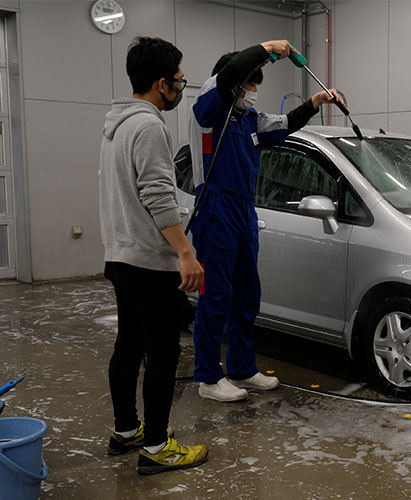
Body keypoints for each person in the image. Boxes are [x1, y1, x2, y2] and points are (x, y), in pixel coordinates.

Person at [189, 40, 339, 402]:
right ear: (235, 84)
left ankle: (241, 368)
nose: (254, 91)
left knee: (247, 294)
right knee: (216, 295)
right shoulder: (208, 108)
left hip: (243, 210)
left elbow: (286, 124)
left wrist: (314, 103)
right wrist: (266, 48)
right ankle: (208, 377)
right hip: (215, 209)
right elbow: (229, 73)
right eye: (251, 84)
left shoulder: (249, 120)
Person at [99, 36, 208, 475]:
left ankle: (127, 430)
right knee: (162, 354)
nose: (181, 87)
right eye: (179, 80)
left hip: (121, 255)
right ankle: (158, 447)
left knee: (129, 345)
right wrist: (185, 253)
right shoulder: (148, 127)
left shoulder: (117, 126)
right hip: (148, 260)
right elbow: (158, 195)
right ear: (162, 83)